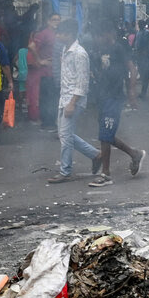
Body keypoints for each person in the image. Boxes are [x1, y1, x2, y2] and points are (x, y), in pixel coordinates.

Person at [88, 25, 146, 187]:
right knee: (106, 134)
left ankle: (106, 174)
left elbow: (132, 70)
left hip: (114, 97)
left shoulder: (119, 48)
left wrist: (132, 93)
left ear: (110, 32)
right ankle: (135, 154)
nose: (98, 39)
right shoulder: (97, 50)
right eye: (96, 36)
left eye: (101, 34)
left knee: (105, 134)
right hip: (101, 96)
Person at [47, 19, 102, 184]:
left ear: (69, 33)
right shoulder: (66, 49)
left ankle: (65, 171)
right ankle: (96, 155)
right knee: (65, 134)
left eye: (60, 33)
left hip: (73, 99)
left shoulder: (79, 53)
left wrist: (72, 103)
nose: (57, 35)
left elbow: (82, 82)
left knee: (65, 136)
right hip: (64, 98)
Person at [30, 12, 61, 127]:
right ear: (48, 21)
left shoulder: (59, 34)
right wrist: (39, 61)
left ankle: (52, 121)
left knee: (54, 97)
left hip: (56, 71)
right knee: (47, 98)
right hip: (46, 72)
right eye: (54, 19)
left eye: (58, 20)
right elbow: (32, 46)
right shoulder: (44, 34)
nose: (56, 22)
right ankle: (46, 122)